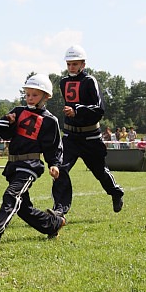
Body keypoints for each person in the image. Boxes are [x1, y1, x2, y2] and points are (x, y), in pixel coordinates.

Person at [0, 74, 66, 248]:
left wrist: (54, 164)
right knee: (24, 209)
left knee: (12, 195)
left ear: (46, 97)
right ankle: (53, 225)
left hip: (30, 165)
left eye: (35, 95)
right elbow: (5, 132)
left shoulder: (50, 121)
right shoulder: (17, 112)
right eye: (28, 94)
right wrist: (2, 126)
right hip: (14, 164)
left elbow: (53, 146)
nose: (30, 98)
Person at [50, 45, 124, 216]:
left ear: (83, 64)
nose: (71, 68)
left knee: (99, 171)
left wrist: (77, 110)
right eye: (69, 64)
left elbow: (99, 109)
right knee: (60, 169)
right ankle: (59, 209)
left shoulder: (90, 81)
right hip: (70, 136)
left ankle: (115, 192)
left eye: (75, 64)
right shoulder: (63, 82)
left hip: (91, 137)